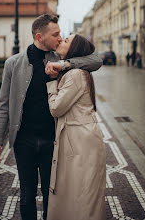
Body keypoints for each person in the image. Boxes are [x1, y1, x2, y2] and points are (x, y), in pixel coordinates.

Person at [0, 14, 102, 220]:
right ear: (40, 37)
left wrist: (64, 65)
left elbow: (96, 60)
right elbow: (3, 105)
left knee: (53, 196)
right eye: (56, 34)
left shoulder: (60, 59)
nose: (60, 38)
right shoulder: (13, 64)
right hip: (24, 141)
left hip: (54, 140)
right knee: (26, 195)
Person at [46, 34, 106, 220]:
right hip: (79, 138)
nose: (60, 40)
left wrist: (51, 85)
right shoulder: (75, 71)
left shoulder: (76, 74)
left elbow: (56, 109)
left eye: (65, 40)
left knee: (82, 195)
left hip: (80, 140)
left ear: (74, 50)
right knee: (79, 192)